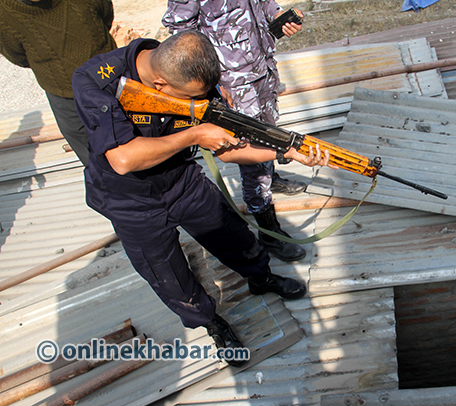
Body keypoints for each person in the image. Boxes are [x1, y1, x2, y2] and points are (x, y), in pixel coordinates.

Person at [71, 30, 330, 366]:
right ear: (160, 85)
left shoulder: (194, 75)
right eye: (190, 97)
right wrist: (194, 134)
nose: (199, 100)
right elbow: (123, 159)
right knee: (169, 274)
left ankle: (259, 278)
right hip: (129, 201)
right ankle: (211, 322)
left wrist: (288, 153)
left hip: (182, 181)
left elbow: (229, 151)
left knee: (233, 235)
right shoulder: (96, 81)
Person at [162, 0, 309, 263]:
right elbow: (182, 35)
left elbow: (263, 3)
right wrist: (211, 82)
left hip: (262, 70)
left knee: (271, 136)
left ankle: (269, 177)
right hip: (230, 83)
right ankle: (269, 232)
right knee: (249, 150)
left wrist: (277, 16)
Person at [0, 0, 117, 166]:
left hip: (112, 75)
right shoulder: (4, 13)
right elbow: (17, 55)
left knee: (142, 136)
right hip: (65, 96)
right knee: (96, 163)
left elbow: (105, 12)